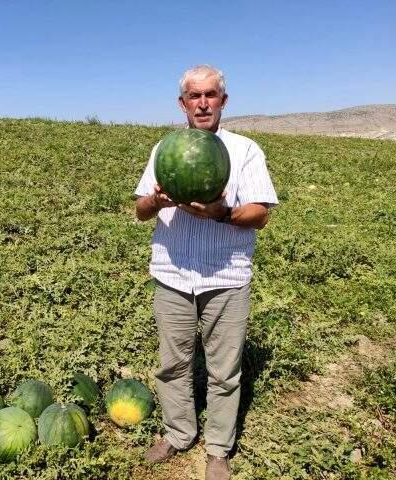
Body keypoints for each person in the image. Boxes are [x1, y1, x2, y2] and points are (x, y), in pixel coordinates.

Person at [134, 65, 278, 480]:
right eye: (193, 96)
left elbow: (260, 214)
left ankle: (218, 448)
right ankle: (178, 434)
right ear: (182, 103)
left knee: (224, 369)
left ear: (223, 101)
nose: (202, 103)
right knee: (173, 363)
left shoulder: (245, 150)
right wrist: (157, 202)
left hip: (227, 275)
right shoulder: (165, 148)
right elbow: (140, 210)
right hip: (173, 273)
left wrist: (222, 213)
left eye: (210, 95)